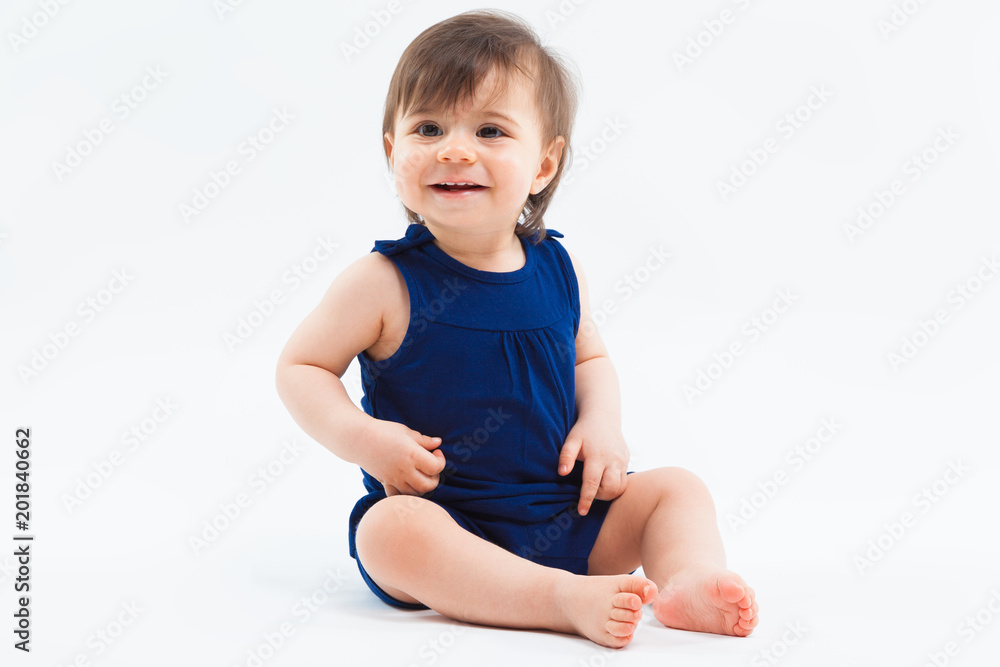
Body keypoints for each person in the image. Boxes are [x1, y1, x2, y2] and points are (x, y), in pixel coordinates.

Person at [275, 9, 758, 648]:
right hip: (449, 526)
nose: (454, 148)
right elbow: (300, 369)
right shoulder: (382, 282)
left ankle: (690, 579)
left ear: (543, 166)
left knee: (676, 489)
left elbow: (590, 360)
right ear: (394, 151)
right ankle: (559, 599)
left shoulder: (558, 266)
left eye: (491, 130)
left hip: (569, 517)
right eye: (428, 127)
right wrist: (363, 438)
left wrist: (601, 425)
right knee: (389, 532)